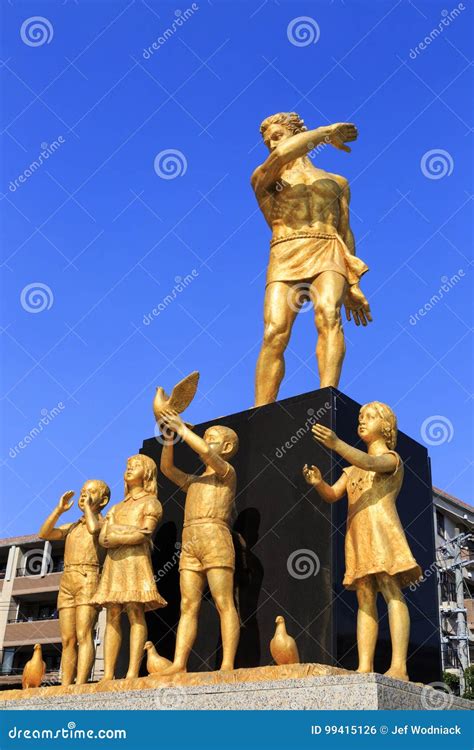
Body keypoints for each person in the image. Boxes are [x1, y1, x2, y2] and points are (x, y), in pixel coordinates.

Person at [252, 112, 372, 405]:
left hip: (328, 247)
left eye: (277, 135)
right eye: (267, 141)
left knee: (329, 316)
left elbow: (345, 230)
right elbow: (282, 154)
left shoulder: (337, 182)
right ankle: (261, 411)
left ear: (295, 132)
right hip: (285, 249)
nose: (271, 145)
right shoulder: (266, 177)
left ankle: (325, 397)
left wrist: (353, 284)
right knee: (274, 331)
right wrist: (326, 132)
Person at [303, 402, 421, 680]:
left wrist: (336, 443)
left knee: (391, 588)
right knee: (364, 596)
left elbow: (370, 462)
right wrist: (319, 483)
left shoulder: (391, 458)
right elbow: (333, 494)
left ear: (387, 426)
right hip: (358, 533)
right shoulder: (351, 470)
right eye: (360, 417)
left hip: (382, 530)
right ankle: (364, 665)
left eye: (370, 417)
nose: (363, 421)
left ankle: (399, 666)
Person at [158, 409, 240, 673]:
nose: (205, 441)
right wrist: (169, 438)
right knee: (187, 605)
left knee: (223, 601)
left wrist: (183, 429)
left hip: (216, 536)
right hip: (191, 540)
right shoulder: (194, 481)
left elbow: (206, 453)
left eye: (212, 437)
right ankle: (180, 663)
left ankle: (227, 663)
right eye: (205, 436)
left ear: (226, 447)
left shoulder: (227, 472)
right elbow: (167, 469)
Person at [91, 454, 167, 680]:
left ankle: (133, 671)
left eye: (135, 466)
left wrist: (115, 532)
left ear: (148, 473)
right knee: (112, 613)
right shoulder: (116, 507)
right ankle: (109, 674)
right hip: (114, 563)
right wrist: (122, 533)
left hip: (135, 562)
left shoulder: (151, 503)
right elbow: (103, 539)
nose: (129, 469)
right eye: (127, 466)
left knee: (135, 611)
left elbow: (143, 534)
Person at [39, 480, 110, 685]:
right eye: (82, 492)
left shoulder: (103, 522)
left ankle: (81, 683)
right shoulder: (72, 527)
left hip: (88, 576)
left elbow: (95, 529)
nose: (83, 495)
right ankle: (66, 683)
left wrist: (88, 508)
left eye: (90, 492)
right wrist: (59, 510)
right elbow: (44, 533)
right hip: (68, 579)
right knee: (67, 639)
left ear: (103, 500)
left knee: (84, 634)